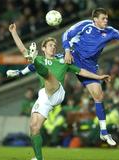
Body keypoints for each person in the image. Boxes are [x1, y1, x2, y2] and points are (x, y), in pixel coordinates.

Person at [7, 23, 111, 160]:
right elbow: (22, 49)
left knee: (48, 75)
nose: (54, 47)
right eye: (50, 45)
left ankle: (34, 61)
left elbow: (81, 71)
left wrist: (98, 77)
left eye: (55, 46)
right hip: (44, 96)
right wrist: (14, 32)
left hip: (57, 91)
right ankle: (39, 158)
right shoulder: (40, 58)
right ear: (43, 48)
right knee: (34, 128)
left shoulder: (63, 60)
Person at [62, 8, 119, 145]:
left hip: (90, 66)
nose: (106, 21)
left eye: (107, 18)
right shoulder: (85, 25)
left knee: (99, 96)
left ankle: (104, 132)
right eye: (103, 18)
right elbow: (66, 34)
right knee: (50, 64)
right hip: (74, 56)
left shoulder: (110, 31)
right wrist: (67, 51)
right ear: (95, 19)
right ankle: (22, 70)